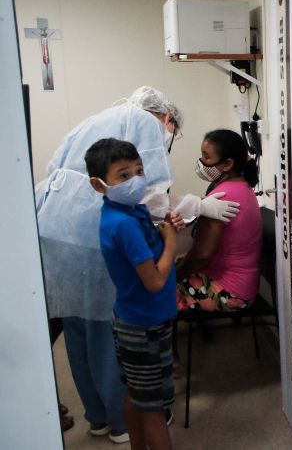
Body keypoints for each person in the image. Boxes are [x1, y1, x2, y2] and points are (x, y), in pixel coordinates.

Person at [34, 86, 239, 442]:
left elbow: (56, 168)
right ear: (168, 119)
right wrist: (199, 206)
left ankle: (97, 418)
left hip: (55, 228)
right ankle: (121, 423)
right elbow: (150, 194)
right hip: (90, 240)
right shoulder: (146, 122)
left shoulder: (97, 119)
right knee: (103, 333)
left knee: (77, 329)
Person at [85, 138, 178, 450]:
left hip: (135, 319)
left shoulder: (129, 210)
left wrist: (165, 227)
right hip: (145, 326)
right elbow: (154, 281)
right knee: (153, 407)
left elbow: (146, 243)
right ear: (99, 185)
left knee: (137, 395)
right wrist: (171, 244)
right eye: (123, 175)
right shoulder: (122, 223)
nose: (136, 179)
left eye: (139, 170)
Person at [176, 129, 263, 312]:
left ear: (227, 164)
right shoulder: (243, 187)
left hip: (230, 293)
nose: (201, 163)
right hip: (245, 287)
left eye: (206, 158)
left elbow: (202, 255)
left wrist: (174, 275)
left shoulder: (221, 198)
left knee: (157, 286)